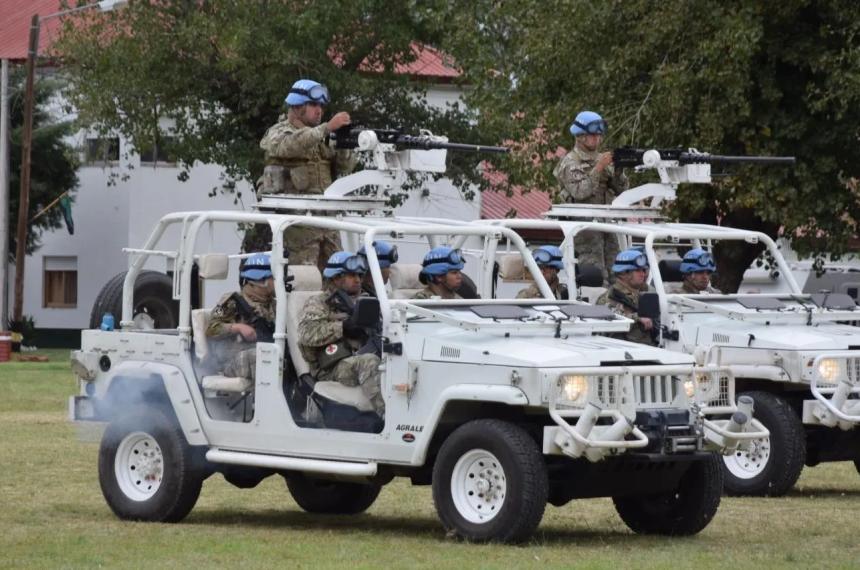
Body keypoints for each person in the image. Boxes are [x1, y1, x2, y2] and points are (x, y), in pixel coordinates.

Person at [251, 79, 358, 269]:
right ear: (298, 107)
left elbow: (345, 167)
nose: (320, 111)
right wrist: (326, 128)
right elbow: (289, 146)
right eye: (314, 105)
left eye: (322, 106)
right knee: (304, 281)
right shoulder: (278, 132)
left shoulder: (322, 137)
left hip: (328, 222)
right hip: (297, 225)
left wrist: (344, 143)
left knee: (339, 277)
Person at [298, 251, 384, 416]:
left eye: (359, 275)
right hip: (332, 367)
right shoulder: (320, 303)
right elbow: (306, 334)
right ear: (336, 277)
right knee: (369, 362)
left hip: (361, 355)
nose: (358, 280)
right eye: (351, 275)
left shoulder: (368, 300)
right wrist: (343, 327)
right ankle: (389, 417)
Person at [553, 110, 628, 279]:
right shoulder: (570, 162)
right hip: (585, 231)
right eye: (592, 135)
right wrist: (599, 168)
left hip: (607, 226)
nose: (597, 139)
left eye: (599, 135)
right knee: (593, 278)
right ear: (580, 136)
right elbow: (580, 192)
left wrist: (618, 171)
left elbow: (621, 191)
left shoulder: (603, 159)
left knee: (618, 276)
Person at [205, 253, 276, 380]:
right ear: (260, 281)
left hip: (263, 352)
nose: (275, 281)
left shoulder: (273, 304)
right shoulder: (233, 302)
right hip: (233, 360)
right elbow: (211, 329)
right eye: (272, 277)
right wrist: (238, 327)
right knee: (264, 358)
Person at [596, 249, 656, 346]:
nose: (643, 274)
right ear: (623, 273)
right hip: (623, 352)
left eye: (643, 270)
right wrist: (637, 318)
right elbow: (608, 319)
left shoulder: (644, 293)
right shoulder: (609, 297)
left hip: (648, 349)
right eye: (637, 270)